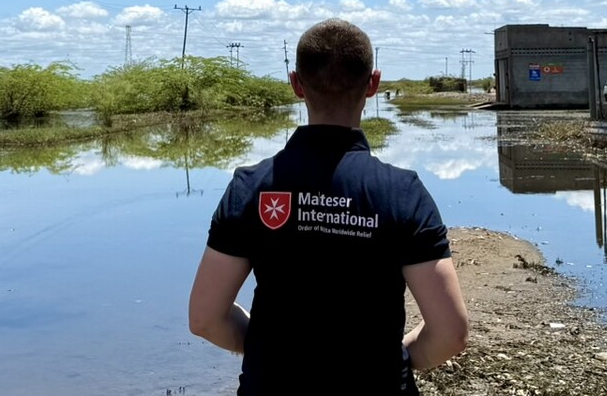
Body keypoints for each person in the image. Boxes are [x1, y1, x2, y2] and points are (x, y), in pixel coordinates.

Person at [188, 19, 469, 395]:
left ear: (296, 85)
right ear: (373, 84)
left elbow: (205, 319)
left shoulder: (249, 187)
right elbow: (450, 333)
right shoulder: (403, 192)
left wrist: (265, 349)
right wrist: (397, 357)